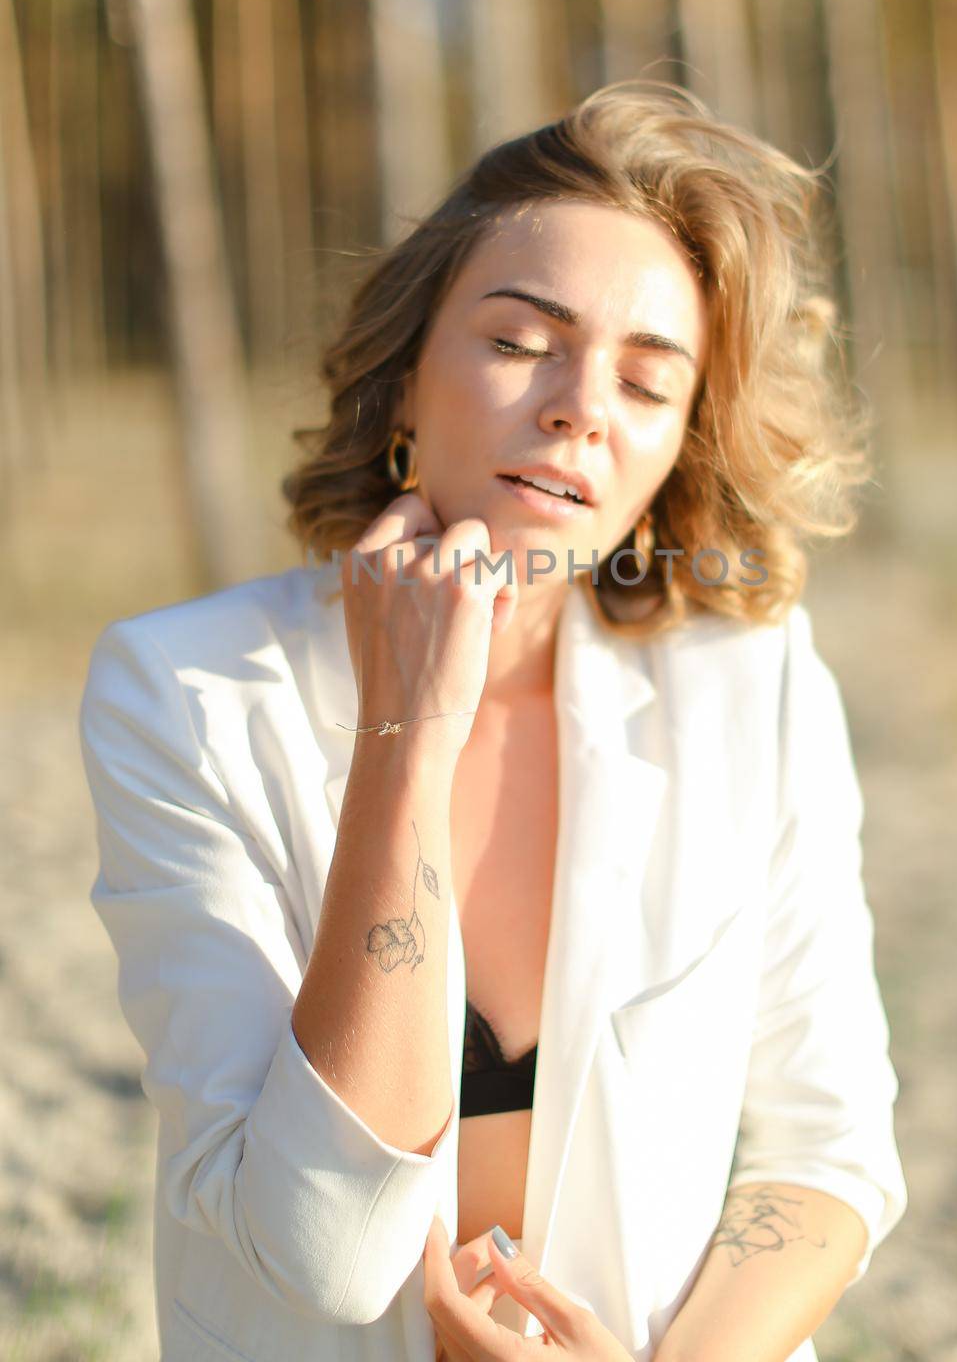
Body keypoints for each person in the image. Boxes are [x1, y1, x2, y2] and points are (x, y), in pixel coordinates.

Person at [80, 80, 907, 1362]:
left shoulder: (756, 684)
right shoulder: (184, 692)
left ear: (676, 448)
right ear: (404, 382)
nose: (580, 403)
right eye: (522, 341)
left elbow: (830, 1150)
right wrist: (404, 737)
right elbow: (327, 1252)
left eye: (646, 380)